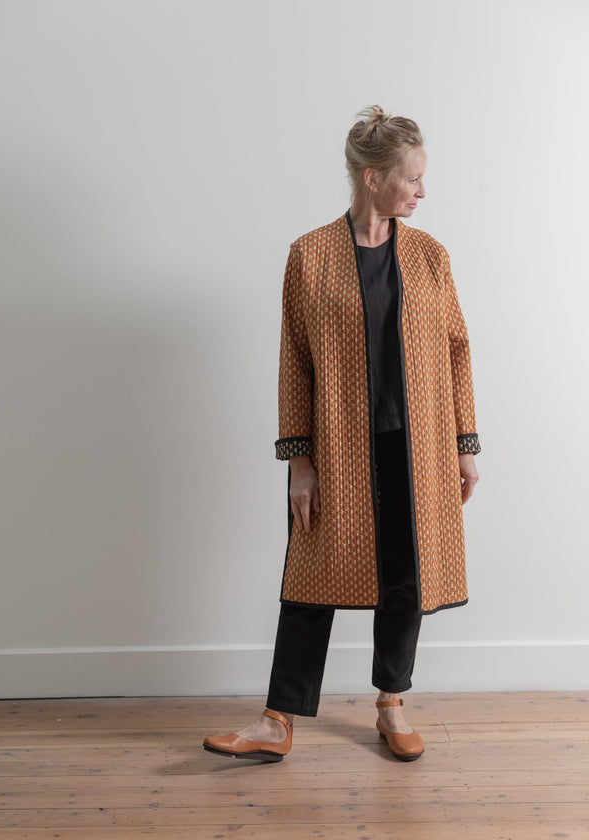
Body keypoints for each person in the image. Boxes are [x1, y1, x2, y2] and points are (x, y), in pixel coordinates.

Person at [203, 105, 480, 763]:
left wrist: (464, 444)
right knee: (310, 577)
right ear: (374, 176)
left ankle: (391, 703)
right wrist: (299, 460)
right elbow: (293, 361)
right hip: (338, 446)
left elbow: (457, 350)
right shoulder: (312, 255)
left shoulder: (430, 256)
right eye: (412, 179)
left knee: (406, 576)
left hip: (419, 446)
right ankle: (277, 719)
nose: (421, 192)